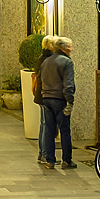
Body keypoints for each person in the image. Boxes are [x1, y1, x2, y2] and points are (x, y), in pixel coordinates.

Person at [36, 36, 77, 170]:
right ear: (63, 48)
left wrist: (44, 95)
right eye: (69, 47)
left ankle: (50, 160)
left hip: (47, 98)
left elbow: (40, 80)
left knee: (49, 130)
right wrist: (69, 101)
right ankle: (66, 160)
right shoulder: (66, 62)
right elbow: (68, 84)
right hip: (60, 99)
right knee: (64, 130)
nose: (71, 49)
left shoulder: (46, 62)